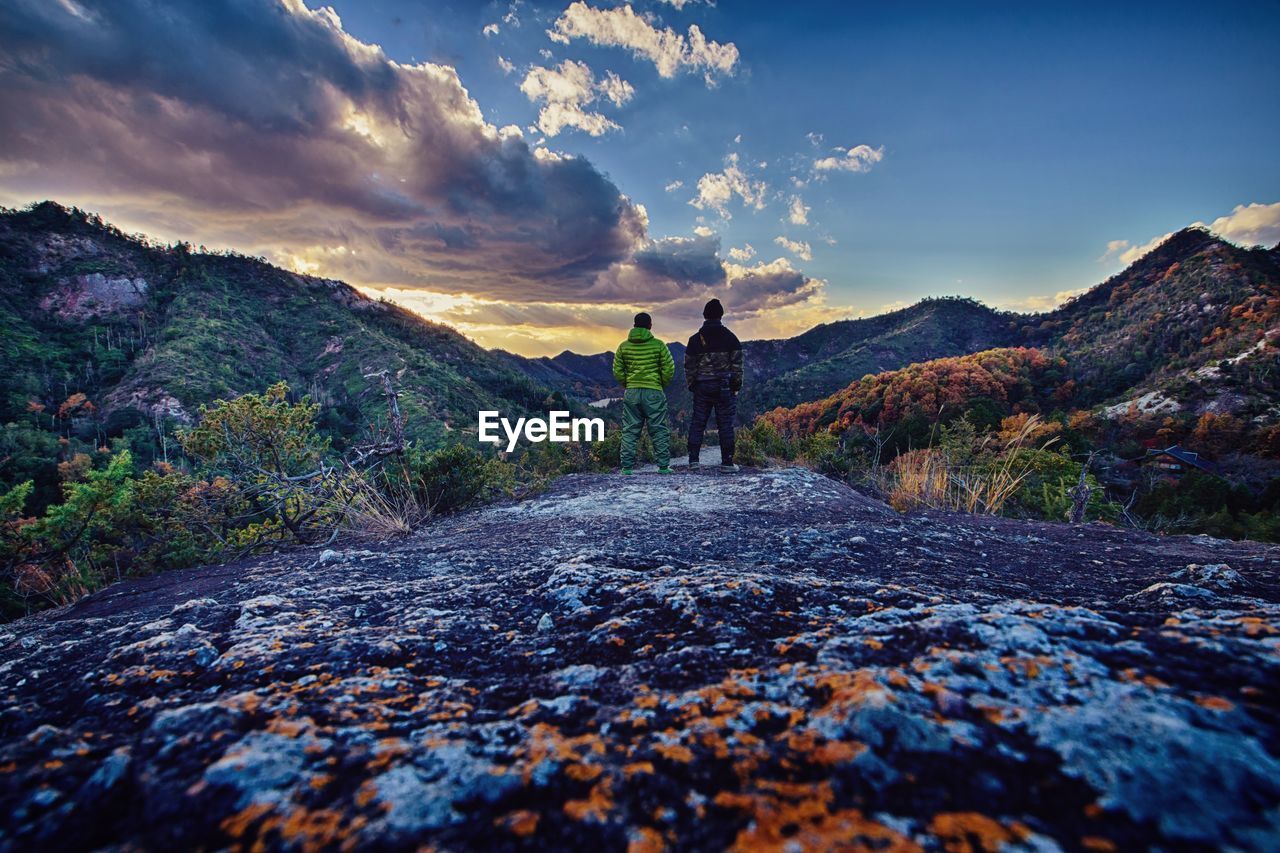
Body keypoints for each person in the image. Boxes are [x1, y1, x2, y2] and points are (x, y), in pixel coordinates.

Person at [612, 312, 676, 475]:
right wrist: (661, 384)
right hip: (654, 392)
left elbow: (617, 370)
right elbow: (669, 368)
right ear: (650, 326)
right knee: (658, 429)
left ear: (634, 326)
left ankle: (626, 468)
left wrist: (628, 384)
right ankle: (663, 466)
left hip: (632, 392)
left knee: (630, 430)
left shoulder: (623, 346)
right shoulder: (659, 345)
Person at [684, 298, 743, 473]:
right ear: (721, 315)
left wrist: (692, 385)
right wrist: (735, 386)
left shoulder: (695, 340)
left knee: (698, 422)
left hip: (702, 386)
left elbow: (689, 366)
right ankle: (727, 462)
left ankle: (693, 461)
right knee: (725, 424)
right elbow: (737, 366)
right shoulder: (731, 338)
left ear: (704, 316)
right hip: (724, 386)